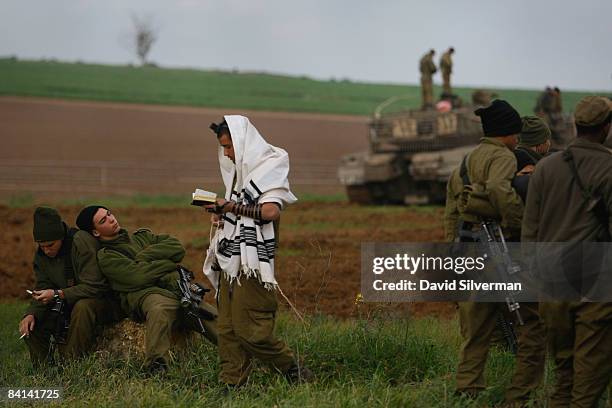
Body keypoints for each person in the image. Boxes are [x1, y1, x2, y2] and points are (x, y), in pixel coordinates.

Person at [444, 100, 545, 403]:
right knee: (532, 323)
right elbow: (502, 191)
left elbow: (450, 213)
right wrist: (522, 224)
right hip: (500, 251)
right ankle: (521, 393)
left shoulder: (465, 162)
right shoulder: (503, 157)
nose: (517, 139)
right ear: (507, 134)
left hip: (469, 250)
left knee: (476, 333)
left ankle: (467, 391)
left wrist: (452, 254)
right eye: (515, 133)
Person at [203, 115, 312, 387]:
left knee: (251, 331)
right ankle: (233, 384)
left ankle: (293, 370)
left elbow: (269, 211)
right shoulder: (239, 172)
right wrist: (221, 214)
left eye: (229, 147)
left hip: (253, 261)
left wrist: (227, 207)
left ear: (243, 143)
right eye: (223, 149)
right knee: (227, 330)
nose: (226, 154)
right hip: (231, 257)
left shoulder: (270, 166)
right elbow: (239, 210)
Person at [522, 96, 612, 407]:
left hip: (551, 284)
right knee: (588, 383)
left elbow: (529, 232)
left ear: (576, 125)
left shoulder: (545, 168)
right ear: (607, 128)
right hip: (594, 285)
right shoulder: (609, 168)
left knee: (564, 375)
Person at [75, 205, 218, 373]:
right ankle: (156, 367)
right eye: (103, 220)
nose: (111, 219)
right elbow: (138, 277)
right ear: (96, 232)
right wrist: (168, 264)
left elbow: (176, 248)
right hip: (146, 295)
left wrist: (145, 257)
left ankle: (243, 355)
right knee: (161, 309)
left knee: (213, 318)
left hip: (177, 290)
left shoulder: (142, 238)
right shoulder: (107, 256)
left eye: (109, 214)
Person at [19, 207, 122, 367]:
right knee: (31, 325)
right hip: (67, 302)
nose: (46, 250)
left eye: (50, 245)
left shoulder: (81, 242)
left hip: (103, 301)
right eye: (41, 246)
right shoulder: (42, 254)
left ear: (61, 237)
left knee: (83, 307)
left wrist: (58, 294)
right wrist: (31, 314)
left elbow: (96, 286)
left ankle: (70, 365)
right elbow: (43, 286)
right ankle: (45, 372)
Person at [512, 116, 552, 201]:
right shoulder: (532, 167)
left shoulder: (510, 158)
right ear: (540, 145)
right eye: (547, 139)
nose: (549, 143)